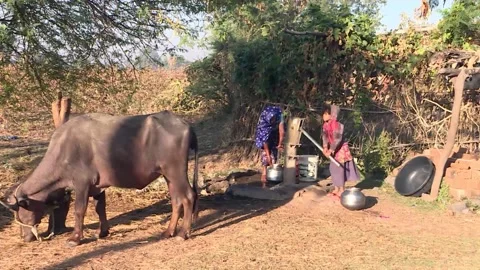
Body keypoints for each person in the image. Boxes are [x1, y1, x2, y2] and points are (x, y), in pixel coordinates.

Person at [322, 104, 360, 199]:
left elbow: (337, 139)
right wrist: (325, 147)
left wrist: (331, 150)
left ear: (331, 115)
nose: (323, 116)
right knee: (333, 168)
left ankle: (341, 189)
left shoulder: (338, 125)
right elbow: (325, 137)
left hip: (340, 149)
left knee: (340, 169)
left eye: (326, 114)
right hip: (333, 149)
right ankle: (336, 188)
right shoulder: (325, 125)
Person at [254, 105, 285, 188]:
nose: (274, 121)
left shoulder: (280, 115)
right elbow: (265, 141)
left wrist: (280, 144)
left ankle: (273, 169)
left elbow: (282, 132)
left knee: (274, 149)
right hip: (265, 135)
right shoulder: (264, 123)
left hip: (274, 133)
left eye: (274, 119)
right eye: (272, 120)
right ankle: (264, 172)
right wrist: (268, 156)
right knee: (265, 153)